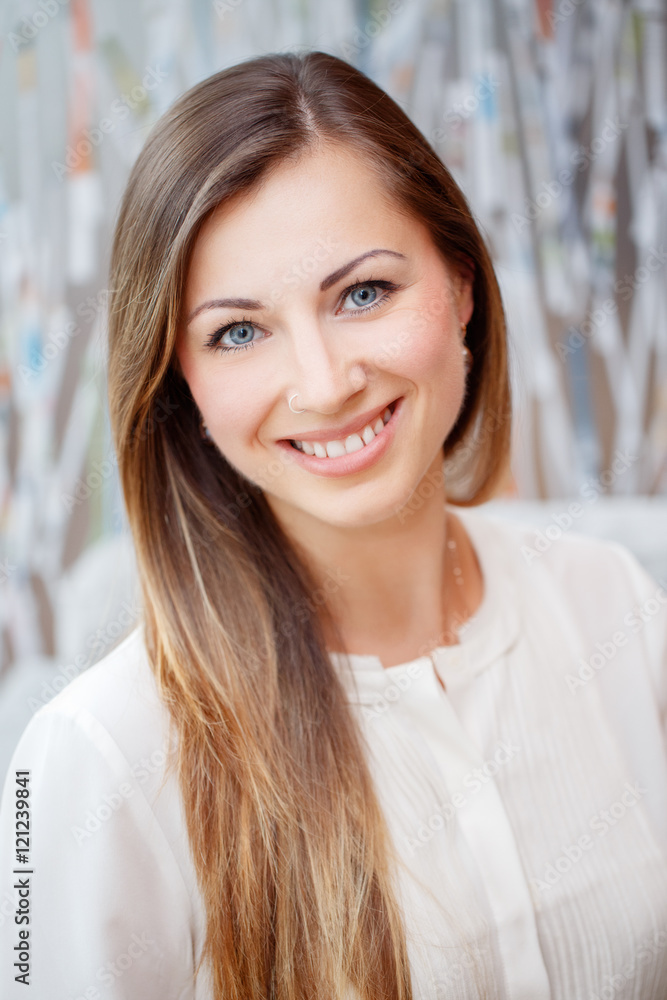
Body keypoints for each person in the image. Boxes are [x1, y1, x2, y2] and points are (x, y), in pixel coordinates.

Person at [1, 48, 666, 1000]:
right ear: (178, 384)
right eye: (238, 331)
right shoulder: (95, 756)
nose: (322, 384)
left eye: (364, 293)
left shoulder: (617, 609)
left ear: (462, 287)